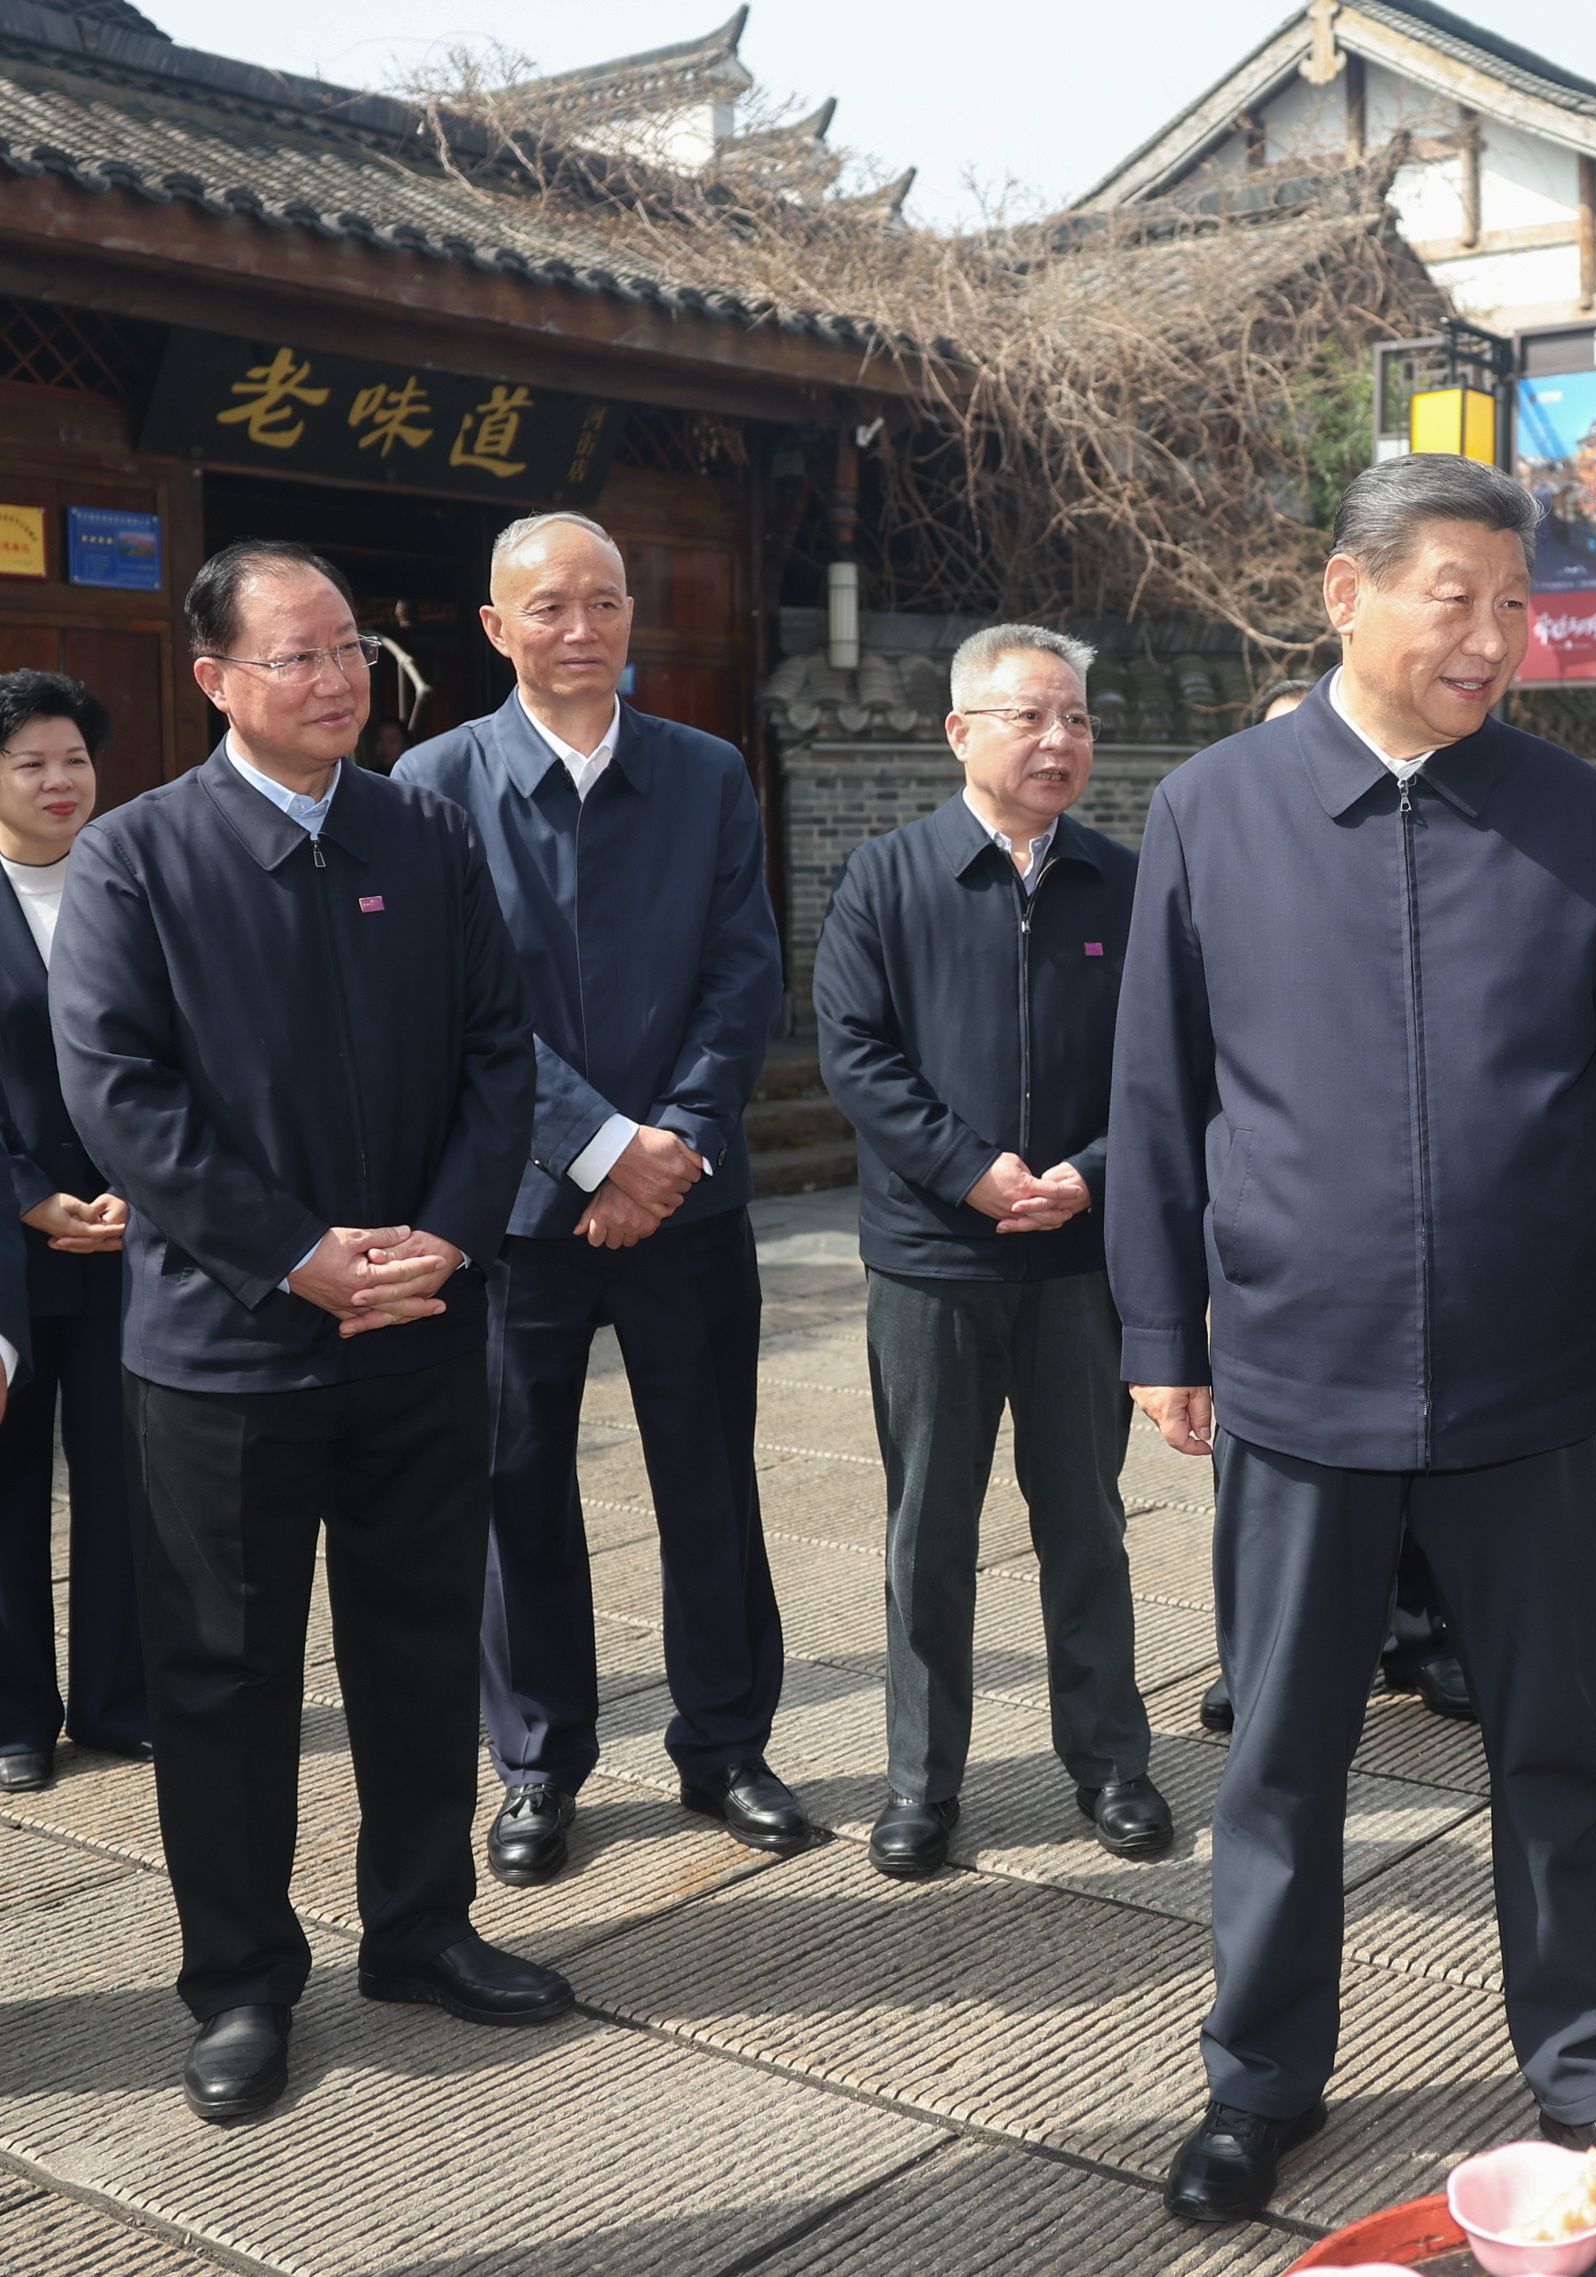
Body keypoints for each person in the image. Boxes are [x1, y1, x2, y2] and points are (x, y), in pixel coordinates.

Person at [1110, 454, 1596, 2224]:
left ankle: (1593, 2073)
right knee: (1285, 1750)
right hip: (1300, 1364)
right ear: (1345, 591)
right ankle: (1259, 2081)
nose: (1495, 638)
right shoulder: (1214, 813)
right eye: (1456, 596)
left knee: (1557, 1744)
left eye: (1517, 606)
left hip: (1534, 1377)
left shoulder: (1574, 818)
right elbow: (1157, 1096)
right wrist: (1166, 1323)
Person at [54, 539, 564, 2128]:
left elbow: (501, 1051)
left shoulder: (422, 830)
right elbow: (118, 1094)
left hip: (418, 1328)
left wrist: (447, 1237)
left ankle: (420, 1928)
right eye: (299, 656)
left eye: (351, 650)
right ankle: (241, 1982)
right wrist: (296, 1256)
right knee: (225, 1678)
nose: (339, 680)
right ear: (213, 680)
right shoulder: (141, 858)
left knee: (417, 1652)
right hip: (225, 1355)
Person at [394, 513, 798, 1887]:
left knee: (710, 1476)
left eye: (606, 603)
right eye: (549, 608)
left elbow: (745, 971)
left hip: (690, 1198)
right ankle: (539, 1764)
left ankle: (728, 1743)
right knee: (516, 1488)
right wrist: (597, 1148)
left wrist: (673, 1140)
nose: (582, 630)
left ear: (635, 618)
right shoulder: (435, 780)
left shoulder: (705, 774)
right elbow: (457, 1006)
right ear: (497, 628)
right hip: (514, 1209)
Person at [813, 622, 1172, 1880]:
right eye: (1029, 717)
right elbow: (856, 1054)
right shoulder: (887, 876)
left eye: (1075, 717)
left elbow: (1171, 1062)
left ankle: (1112, 1763)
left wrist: (1091, 1173)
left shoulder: (1127, 886)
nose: (1059, 740)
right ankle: (923, 1783)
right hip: (932, 1260)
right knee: (930, 1529)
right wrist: (969, 1174)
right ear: (960, 730)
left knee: (1086, 1520)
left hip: (1079, 1260)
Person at [1194, 669, 1470, 1740]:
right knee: (1274, 1500)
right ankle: (1263, 1655)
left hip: (1417, 1246)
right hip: (1278, 1245)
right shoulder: (1217, 835)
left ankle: (1426, 1631)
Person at [0, 673, 90, 1794]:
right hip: (11, 1247)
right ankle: (16, 1710)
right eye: (30, 764)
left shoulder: (130, 883)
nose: (59, 781)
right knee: (11, 1488)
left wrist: (139, 1194)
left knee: (131, 1485)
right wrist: (26, 1193)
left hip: (128, 1239)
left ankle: (124, 1695)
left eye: (73, 759)